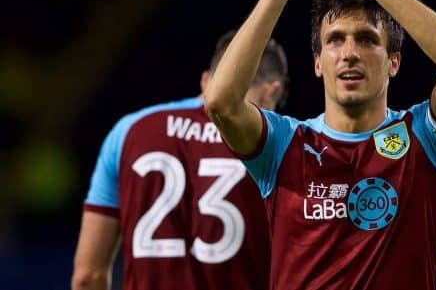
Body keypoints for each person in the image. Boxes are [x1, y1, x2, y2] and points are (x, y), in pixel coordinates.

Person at [203, 0, 436, 290]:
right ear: (318, 62)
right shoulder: (285, 144)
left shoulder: (426, 140)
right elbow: (220, 102)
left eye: (367, 40)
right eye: (335, 40)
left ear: (394, 62)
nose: (350, 52)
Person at [71, 30, 289, 290]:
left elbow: (87, 276)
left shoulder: (128, 131)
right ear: (271, 92)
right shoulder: (276, 145)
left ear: (207, 80)